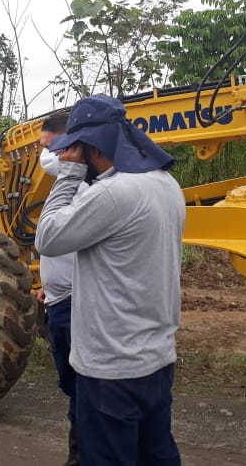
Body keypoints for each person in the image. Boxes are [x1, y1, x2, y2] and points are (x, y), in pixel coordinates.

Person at [35, 95, 185, 466]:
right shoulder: (165, 184)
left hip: (111, 368)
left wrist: (69, 176)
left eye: (74, 150)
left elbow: (47, 238)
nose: (68, 157)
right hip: (156, 358)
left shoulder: (112, 194)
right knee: (156, 456)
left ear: (92, 147)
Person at [37, 112, 84, 466]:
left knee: (83, 388)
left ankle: (80, 456)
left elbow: (52, 238)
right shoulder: (66, 185)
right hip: (58, 299)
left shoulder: (82, 187)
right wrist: (48, 285)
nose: (47, 156)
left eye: (51, 147)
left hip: (74, 304)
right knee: (75, 387)